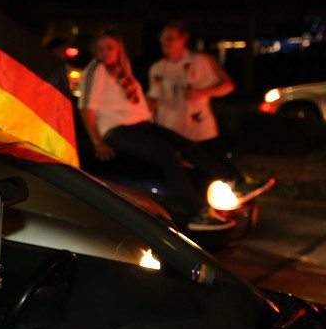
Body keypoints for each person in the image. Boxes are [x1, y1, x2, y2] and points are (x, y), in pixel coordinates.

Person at [77, 29, 238, 232]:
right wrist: (98, 141)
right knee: (168, 156)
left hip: (141, 124)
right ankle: (198, 212)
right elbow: (85, 107)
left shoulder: (122, 70)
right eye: (100, 49)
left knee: (186, 146)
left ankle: (234, 181)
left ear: (119, 49)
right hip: (117, 129)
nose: (105, 53)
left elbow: (134, 102)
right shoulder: (96, 69)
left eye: (110, 48)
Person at [147, 20, 235, 151]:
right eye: (163, 37)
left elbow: (228, 86)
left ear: (184, 39)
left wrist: (202, 93)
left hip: (199, 133)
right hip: (169, 132)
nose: (165, 41)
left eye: (170, 38)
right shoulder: (157, 68)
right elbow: (153, 98)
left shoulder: (201, 60)